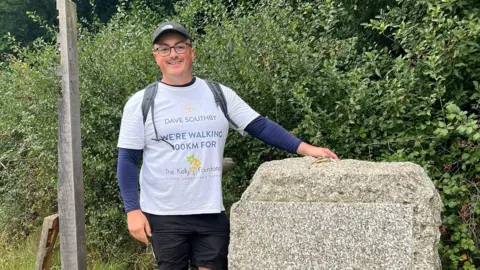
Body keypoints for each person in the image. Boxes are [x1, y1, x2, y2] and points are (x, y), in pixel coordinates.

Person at [117, 21, 338, 270]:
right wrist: (132, 210)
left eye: (180, 46)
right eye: (165, 49)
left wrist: (307, 149)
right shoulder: (141, 102)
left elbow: (260, 125)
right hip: (163, 212)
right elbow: (127, 160)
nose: (173, 54)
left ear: (191, 51)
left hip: (210, 210)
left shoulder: (218, 94)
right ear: (156, 56)